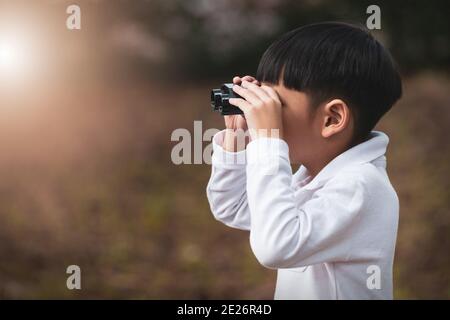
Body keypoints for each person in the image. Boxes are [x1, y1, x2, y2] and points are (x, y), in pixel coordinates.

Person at [206, 22, 402, 299]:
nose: (263, 113)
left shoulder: (361, 187)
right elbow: (233, 206)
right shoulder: (312, 178)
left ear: (332, 119)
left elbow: (276, 247)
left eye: (276, 105)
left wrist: (268, 142)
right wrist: (236, 135)